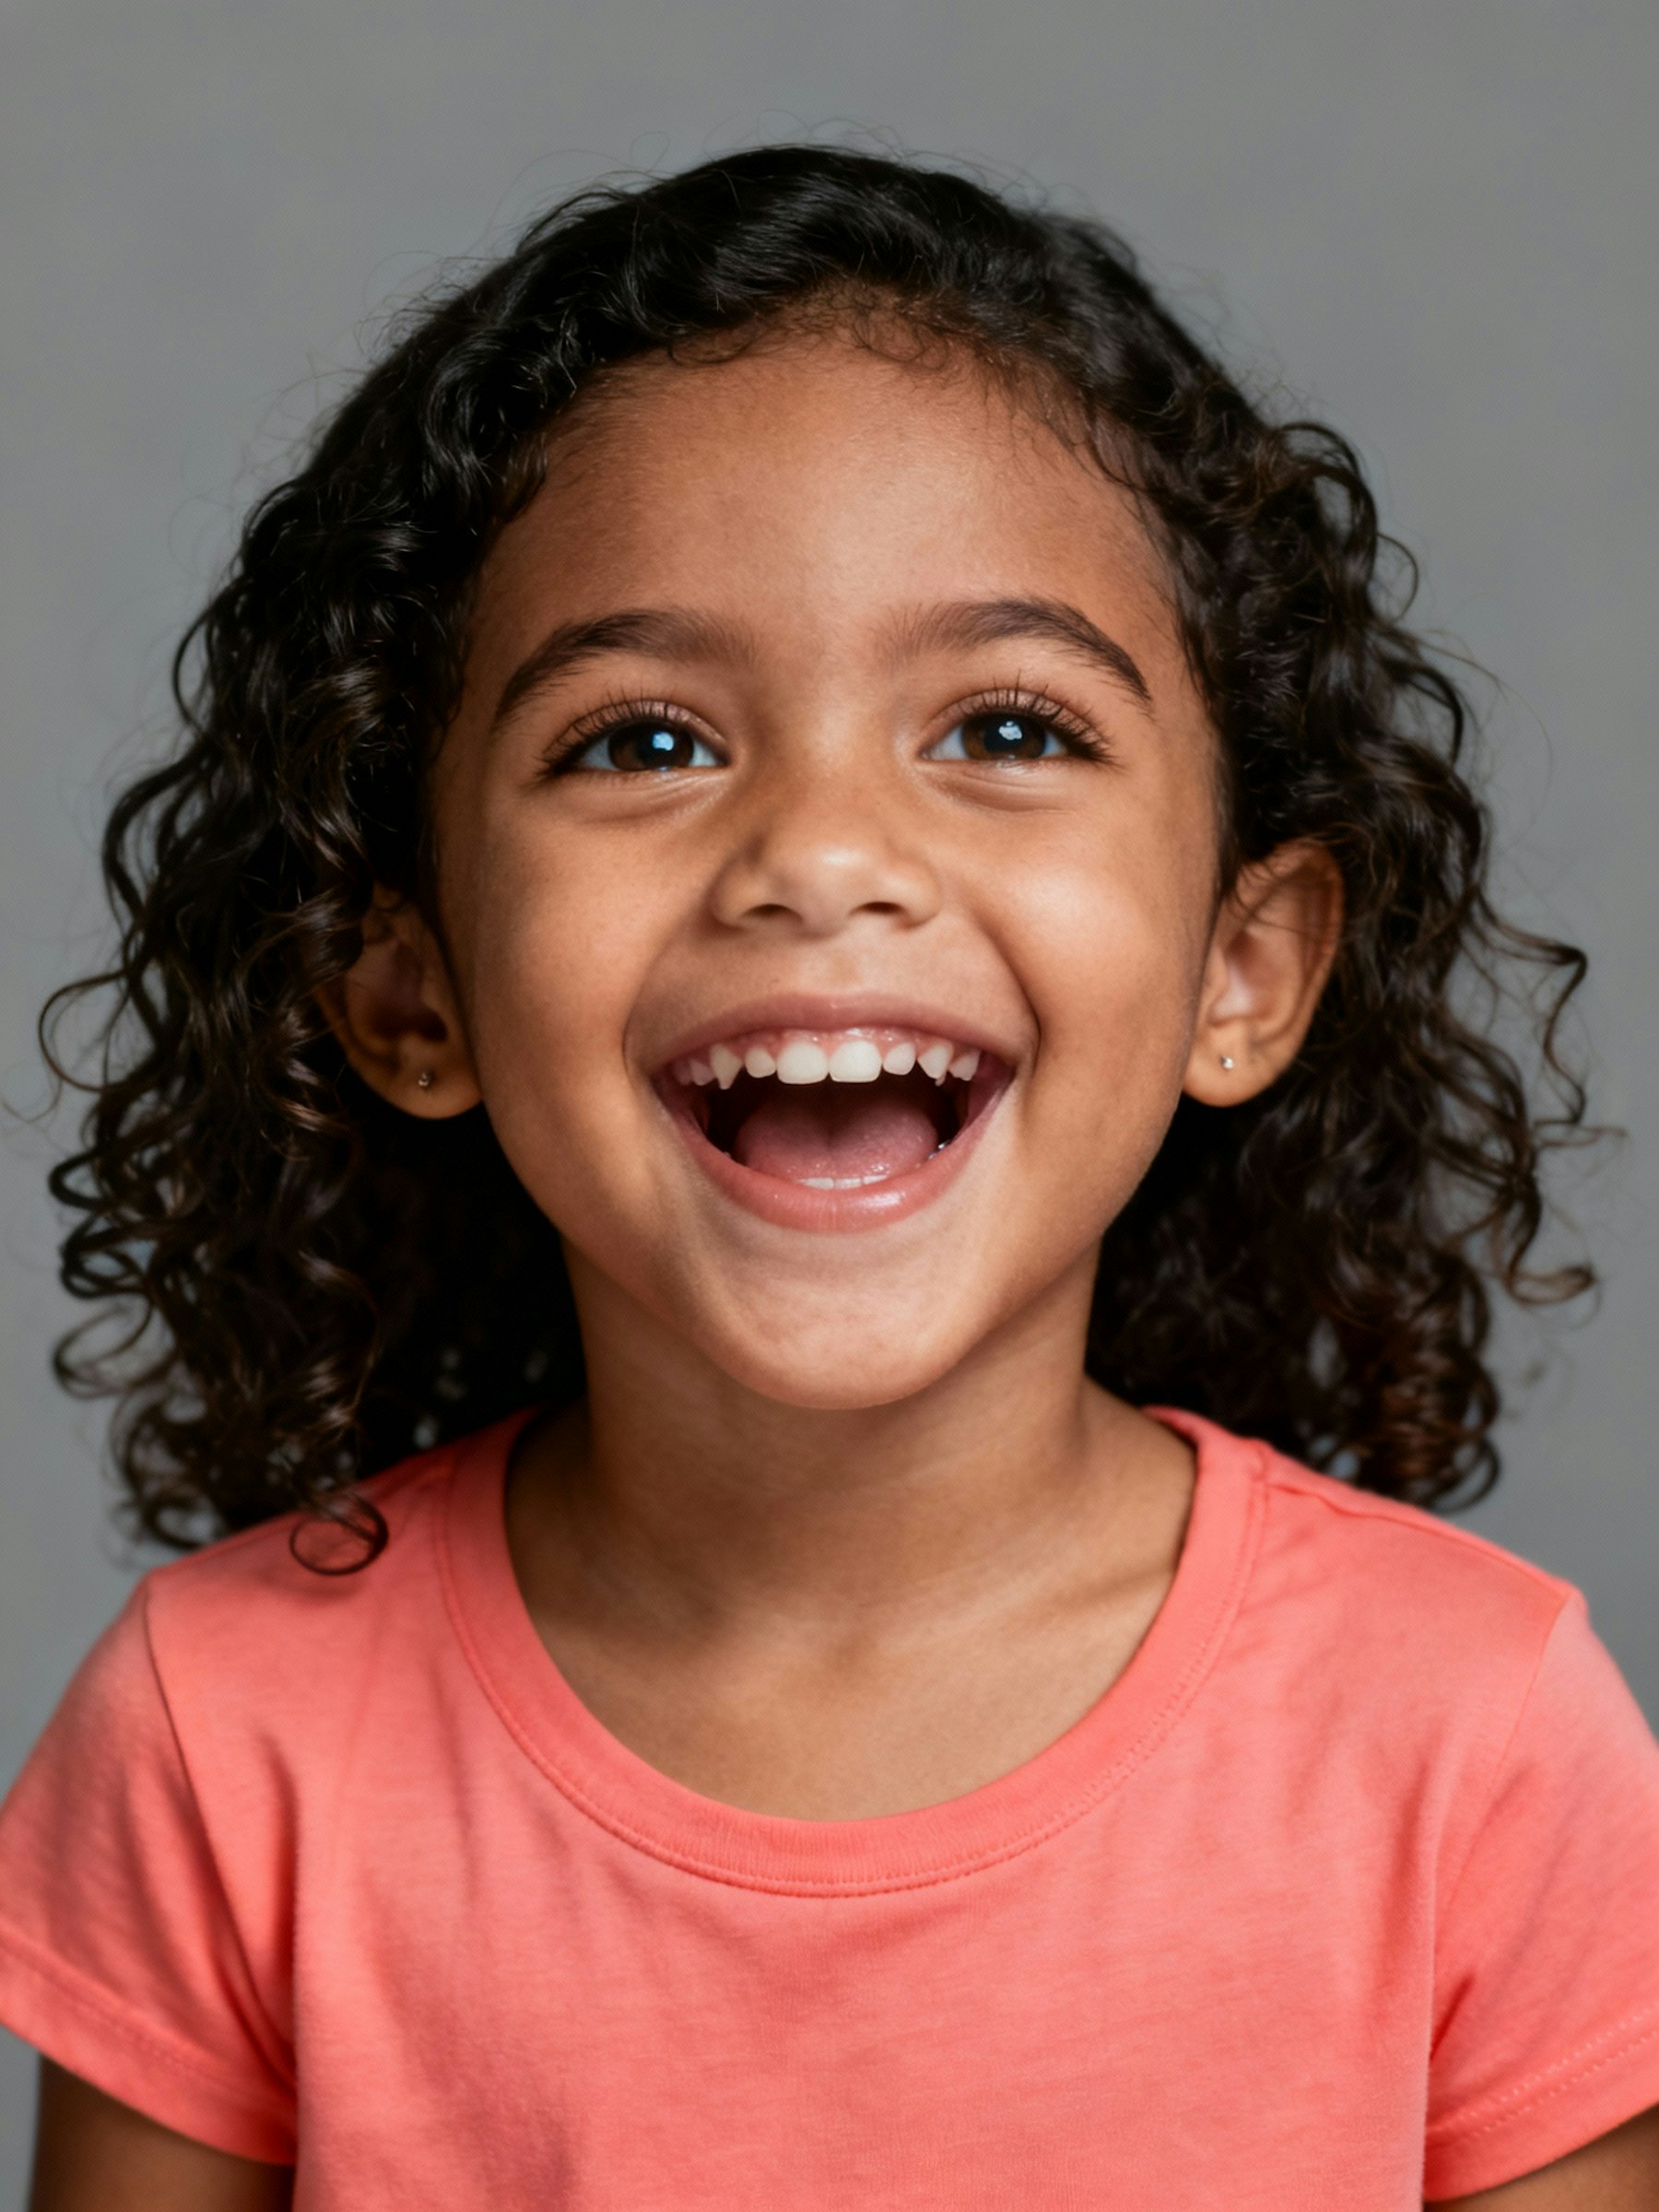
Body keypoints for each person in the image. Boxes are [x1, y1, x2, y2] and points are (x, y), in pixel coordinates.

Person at [4, 145, 1656, 2210]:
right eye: (643, 743)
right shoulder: (222, 1746)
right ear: (409, 989)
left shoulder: (1477, 1741)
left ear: (1246, 972)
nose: (822, 850)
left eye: (1007, 725)